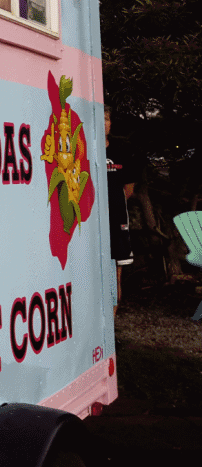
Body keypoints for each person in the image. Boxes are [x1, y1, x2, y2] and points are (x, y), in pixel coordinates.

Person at [105, 106, 137, 316]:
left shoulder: (121, 150)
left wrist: (113, 204)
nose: (104, 123)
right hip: (90, 223)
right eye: (100, 118)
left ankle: (112, 330)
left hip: (117, 221)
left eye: (107, 118)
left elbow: (129, 190)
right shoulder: (85, 147)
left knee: (116, 273)